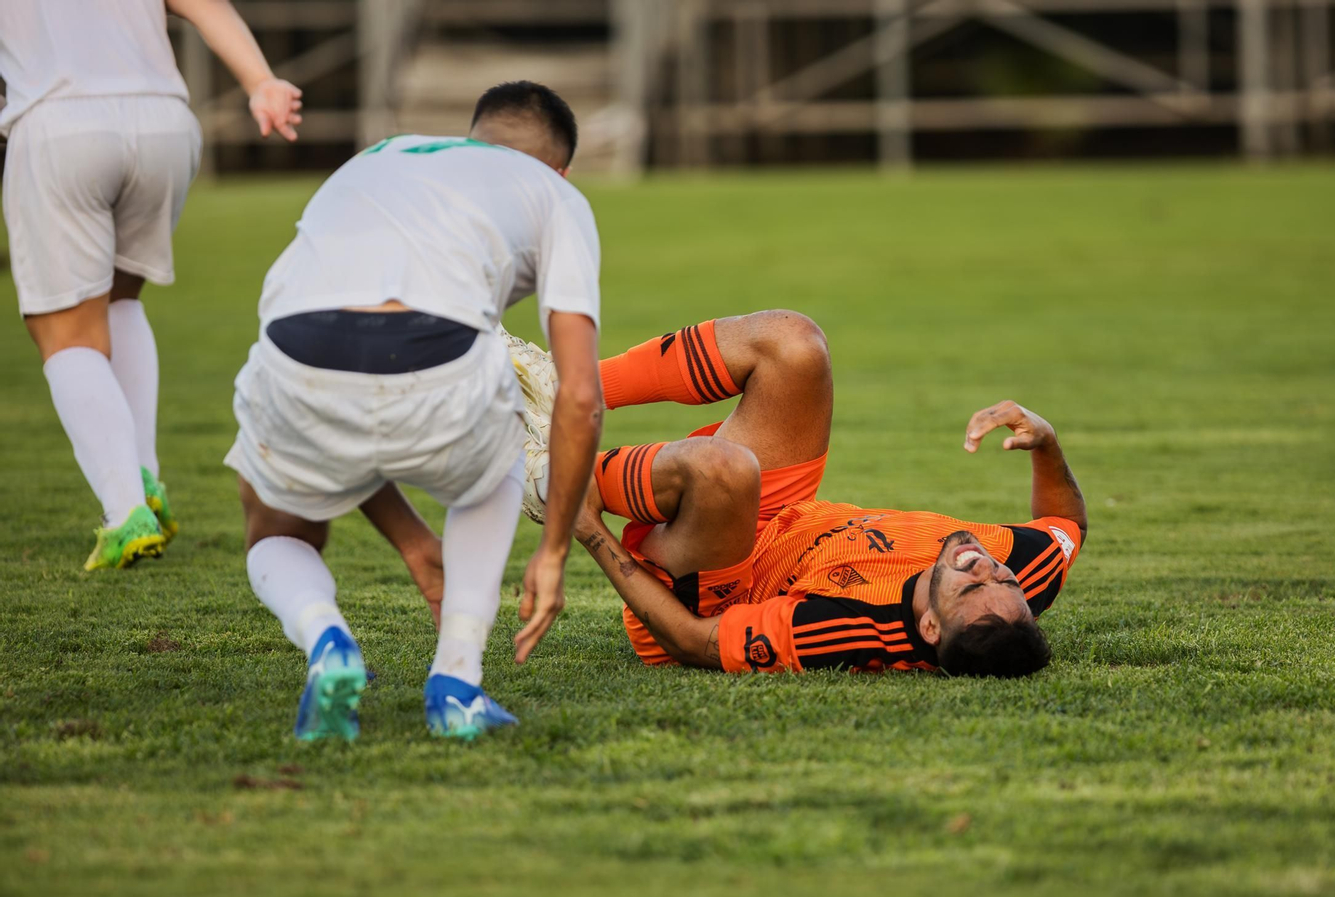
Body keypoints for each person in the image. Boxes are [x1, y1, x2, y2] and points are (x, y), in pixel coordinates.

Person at [387, 310, 1087, 676]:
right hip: (780, 515)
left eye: (969, 586)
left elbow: (691, 643)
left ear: (930, 628)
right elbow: (1065, 525)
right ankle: (559, 385)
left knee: (726, 470)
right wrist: (1048, 442)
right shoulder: (1014, 575)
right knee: (795, 345)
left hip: (709, 589)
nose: (981, 564)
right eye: (1001, 576)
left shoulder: (842, 632)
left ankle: (545, 475)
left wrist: (592, 532)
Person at [225, 82, 602, 741]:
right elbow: (579, 396)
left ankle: (326, 640)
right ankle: (456, 679)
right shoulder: (556, 194)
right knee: (506, 437)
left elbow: (358, 392)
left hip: (294, 353)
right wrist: (554, 548)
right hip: (438, 359)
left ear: (470, 136)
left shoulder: (381, 154)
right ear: (560, 168)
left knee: (276, 524)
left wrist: (412, 541)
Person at [2, 0, 302, 570]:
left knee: (64, 334)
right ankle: (145, 484)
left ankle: (125, 514)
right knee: (119, 298)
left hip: (61, 121)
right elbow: (207, 7)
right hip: (163, 120)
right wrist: (261, 81)